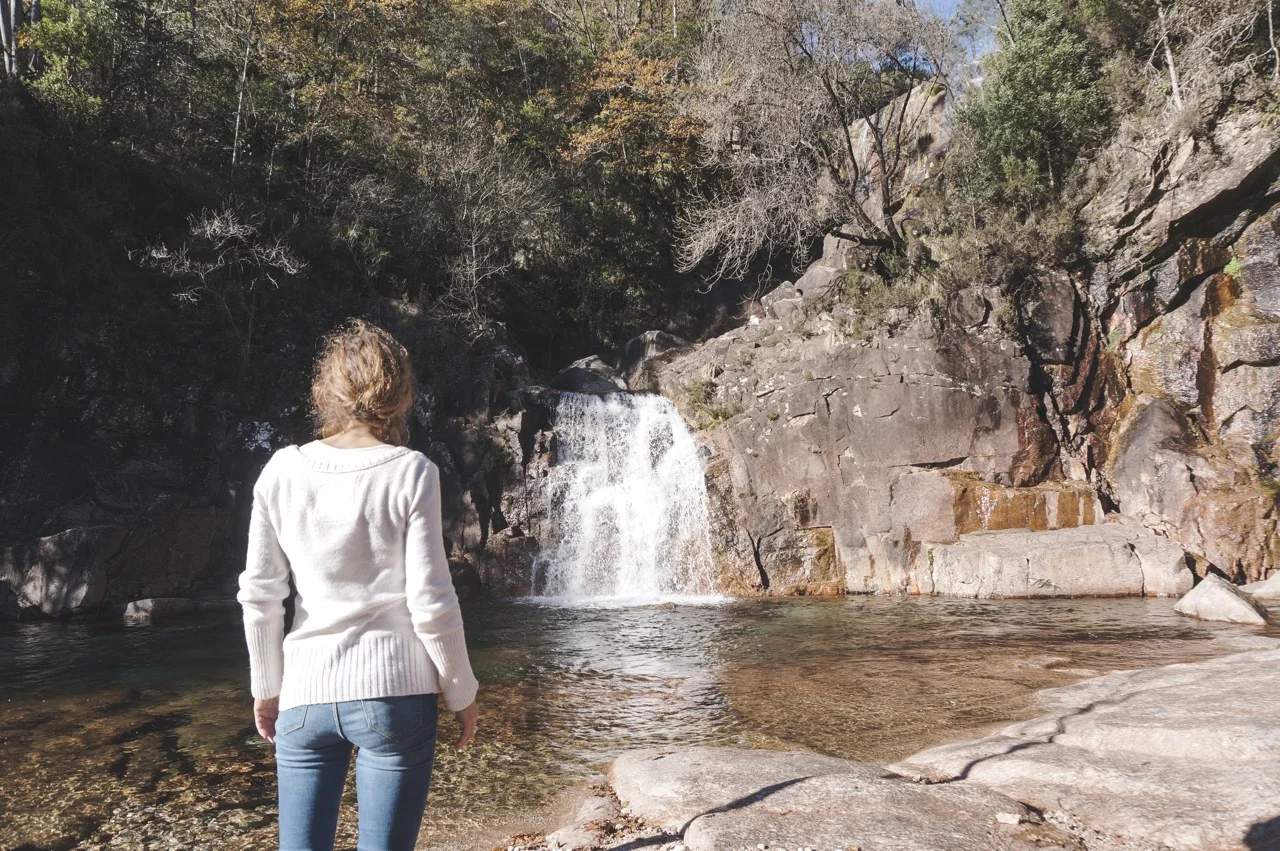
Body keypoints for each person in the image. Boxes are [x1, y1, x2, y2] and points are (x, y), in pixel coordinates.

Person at [237, 318, 479, 851]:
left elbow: (260, 594)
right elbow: (431, 599)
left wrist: (267, 688)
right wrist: (461, 689)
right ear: (400, 394)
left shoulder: (280, 471)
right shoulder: (411, 470)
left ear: (325, 391)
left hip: (304, 695)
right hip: (395, 693)